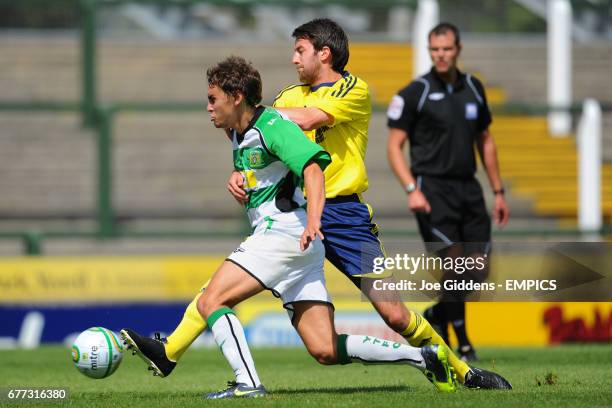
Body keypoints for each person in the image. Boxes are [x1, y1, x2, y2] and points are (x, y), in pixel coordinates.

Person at [122, 19, 510, 391]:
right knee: (237, 297)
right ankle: (169, 351)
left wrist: (255, 115)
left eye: (300, 50)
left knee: (393, 313)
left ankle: (460, 371)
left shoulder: (352, 89)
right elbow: (256, 141)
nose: (294, 58)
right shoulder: (287, 95)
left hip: (344, 215)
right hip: (292, 216)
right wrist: (241, 172)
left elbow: (303, 120)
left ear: (324, 53)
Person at [386, 22, 510, 362]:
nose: (441, 55)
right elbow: (395, 147)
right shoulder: (415, 92)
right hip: (431, 189)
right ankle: (464, 344)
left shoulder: (474, 87)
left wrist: (498, 191)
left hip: (469, 190)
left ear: (458, 49)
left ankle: (439, 315)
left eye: (447, 49)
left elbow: (485, 141)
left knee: (477, 268)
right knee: (454, 265)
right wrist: (411, 188)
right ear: (430, 51)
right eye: (435, 50)